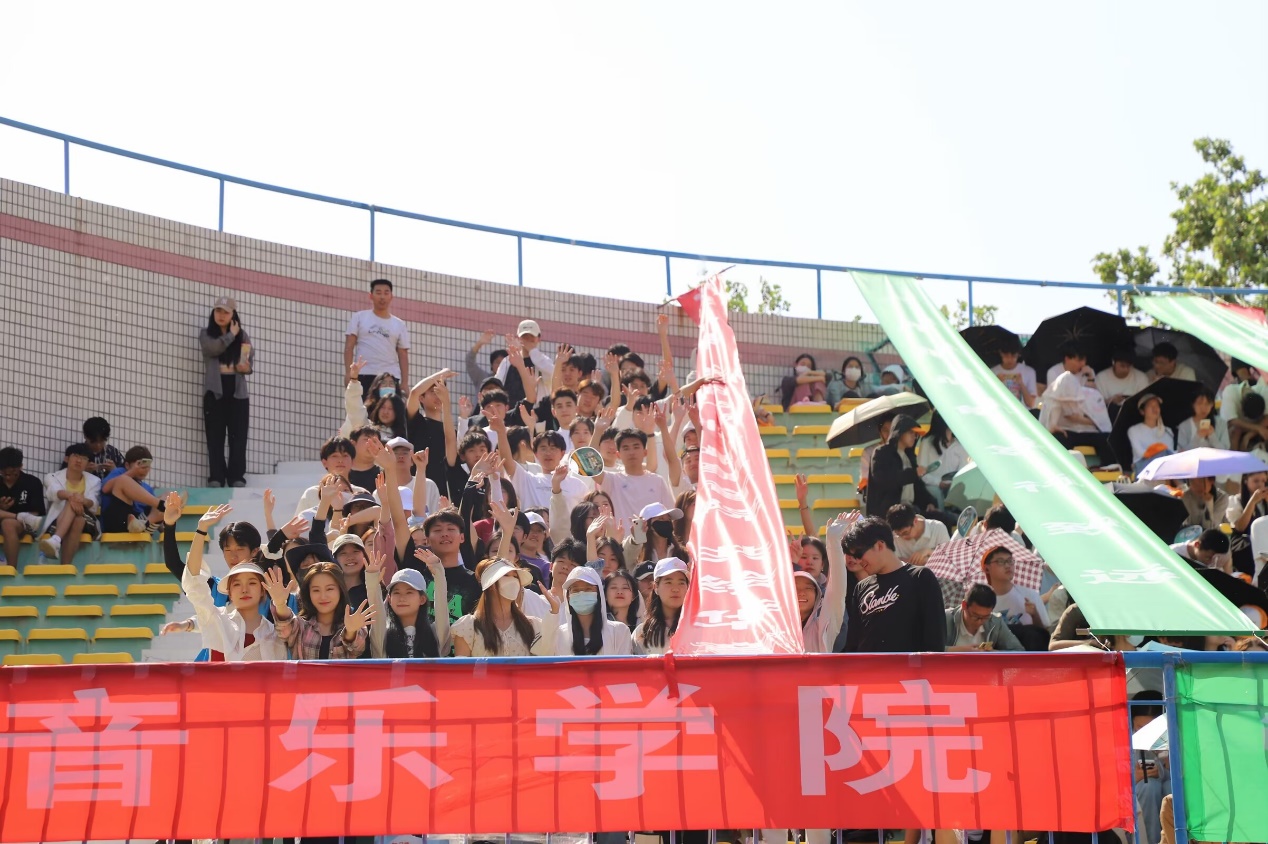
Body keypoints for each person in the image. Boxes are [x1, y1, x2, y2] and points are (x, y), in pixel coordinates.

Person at [182, 504, 287, 661]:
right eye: (236, 584)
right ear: (229, 592)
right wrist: (201, 529)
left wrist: (280, 603)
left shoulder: (274, 634)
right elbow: (193, 581)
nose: (244, 590)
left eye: (252, 583)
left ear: (262, 590)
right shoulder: (216, 618)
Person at [842, 516, 944, 652]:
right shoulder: (861, 587)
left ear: (879, 545)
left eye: (859, 554)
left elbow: (935, 640)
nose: (858, 561)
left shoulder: (920, 578)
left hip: (909, 665)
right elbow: (853, 643)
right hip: (868, 665)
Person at [452, 557, 557, 656]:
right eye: (506, 575)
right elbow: (461, 668)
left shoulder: (532, 625)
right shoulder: (468, 626)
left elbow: (544, 658)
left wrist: (554, 612)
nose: (513, 581)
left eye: (515, 577)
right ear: (491, 584)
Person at [199, 295, 253, 488]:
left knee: (238, 436)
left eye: (226, 312)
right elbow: (212, 349)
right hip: (215, 391)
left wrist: (245, 366)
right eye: (218, 311)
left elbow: (248, 362)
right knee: (215, 436)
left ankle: (236, 476)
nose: (221, 315)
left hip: (237, 392)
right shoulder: (206, 334)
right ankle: (216, 477)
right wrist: (230, 335)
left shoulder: (242, 336)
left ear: (233, 315)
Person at [270, 561, 374, 660]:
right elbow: (285, 625)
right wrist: (280, 603)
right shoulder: (301, 626)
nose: (323, 596)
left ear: (340, 590)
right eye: (316, 590)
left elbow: (357, 648)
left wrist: (350, 631)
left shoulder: (354, 623)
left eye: (329, 589)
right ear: (308, 593)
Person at [366, 548, 449, 659]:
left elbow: (442, 608)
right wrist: (372, 578)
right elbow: (375, 611)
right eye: (396, 593)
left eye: (409, 592)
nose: (402, 598)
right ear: (389, 599)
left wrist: (438, 571)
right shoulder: (383, 633)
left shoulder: (435, 632)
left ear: (422, 599)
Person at [344, 278, 410, 399]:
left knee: (389, 409)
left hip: (390, 377)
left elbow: (403, 354)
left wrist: (405, 383)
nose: (382, 297)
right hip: (364, 374)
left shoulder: (399, 324)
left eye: (386, 293)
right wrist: (349, 373)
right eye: (378, 293)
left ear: (391, 296)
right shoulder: (359, 317)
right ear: (371, 295)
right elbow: (349, 346)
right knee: (363, 410)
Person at [39, 444, 101, 563]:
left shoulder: (95, 481)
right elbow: (54, 492)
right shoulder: (52, 477)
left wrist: (82, 500)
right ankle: (66, 566)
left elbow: (93, 504)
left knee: (72, 506)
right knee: (78, 520)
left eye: (84, 458)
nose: (79, 460)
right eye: (75, 456)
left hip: (88, 521)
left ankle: (56, 539)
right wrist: (72, 497)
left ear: (88, 463)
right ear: (67, 459)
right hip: (59, 520)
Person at [552, 566, 635, 655]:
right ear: (568, 597)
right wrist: (553, 612)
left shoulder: (619, 631)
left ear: (599, 594)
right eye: (575, 590)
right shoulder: (559, 634)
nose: (582, 594)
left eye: (588, 589)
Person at [864, 415, 935, 519]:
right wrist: (913, 473)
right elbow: (883, 479)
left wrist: (929, 502)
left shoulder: (909, 456)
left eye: (915, 434)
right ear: (900, 432)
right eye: (911, 432)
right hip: (889, 514)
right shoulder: (881, 453)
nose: (914, 436)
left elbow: (918, 486)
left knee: (944, 519)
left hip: (910, 510)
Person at [599, 427, 677, 522]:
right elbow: (586, 464)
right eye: (626, 448)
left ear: (645, 452)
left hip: (653, 532)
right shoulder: (611, 480)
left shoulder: (658, 481)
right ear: (618, 455)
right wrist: (598, 429)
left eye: (636, 447)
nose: (631, 452)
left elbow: (670, 513)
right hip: (622, 532)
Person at [981, 545, 1049, 650]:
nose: (1007, 565)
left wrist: (1035, 615)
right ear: (986, 568)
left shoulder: (1030, 595)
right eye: (1000, 562)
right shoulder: (982, 601)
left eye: (1010, 561)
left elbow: (1044, 635)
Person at [1041, 371, 1116, 467]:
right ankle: (1060, 467)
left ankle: (1108, 468)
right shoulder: (1052, 400)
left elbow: (1101, 422)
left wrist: (1079, 419)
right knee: (1058, 439)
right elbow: (1049, 426)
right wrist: (1055, 425)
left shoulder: (1091, 395)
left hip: (1088, 432)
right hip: (1067, 432)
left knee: (1106, 439)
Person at [99, 446, 166, 535]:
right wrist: (133, 471)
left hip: (142, 522)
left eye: (147, 467)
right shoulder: (120, 473)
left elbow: (156, 512)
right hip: (118, 520)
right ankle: (162, 505)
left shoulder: (147, 488)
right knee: (123, 480)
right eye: (141, 466)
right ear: (127, 465)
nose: (145, 470)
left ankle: (141, 526)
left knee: (167, 496)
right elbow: (105, 489)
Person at [633, 556, 690, 655]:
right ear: (656, 587)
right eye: (669, 582)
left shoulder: (698, 628)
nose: (675, 589)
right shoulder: (642, 632)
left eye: (681, 583)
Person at [493, 320, 553, 412]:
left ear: (539, 339)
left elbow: (552, 374)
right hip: (510, 413)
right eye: (525, 337)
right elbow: (497, 384)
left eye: (532, 337)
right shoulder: (508, 361)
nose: (528, 340)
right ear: (519, 338)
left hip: (535, 413)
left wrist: (533, 352)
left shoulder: (543, 360)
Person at [944, 584, 1025, 651]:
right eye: (975, 616)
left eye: (985, 617)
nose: (979, 622)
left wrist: (992, 653)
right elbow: (935, 649)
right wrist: (959, 651)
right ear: (964, 605)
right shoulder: (944, 618)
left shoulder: (995, 622)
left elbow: (1018, 651)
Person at [0, 447, 45, 566]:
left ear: (20, 467)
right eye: (4, 474)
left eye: (12, 474)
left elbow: (35, 514)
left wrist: (17, 518)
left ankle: (11, 569)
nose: (8, 477)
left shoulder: (32, 482)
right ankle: (18, 516)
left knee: (8, 524)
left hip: (25, 525)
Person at [916, 413, 969, 506]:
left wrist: (953, 484)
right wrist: (938, 483)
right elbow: (921, 472)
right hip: (932, 489)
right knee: (936, 494)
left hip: (953, 490)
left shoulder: (960, 445)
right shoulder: (927, 442)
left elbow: (963, 472)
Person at [1227, 471, 1268, 576]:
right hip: (1243, 544)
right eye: (1256, 481)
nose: (1260, 485)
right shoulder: (1236, 500)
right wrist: (1252, 502)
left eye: (1263, 481)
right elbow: (1240, 527)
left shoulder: (1264, 502)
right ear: (1246, 480)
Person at [886, 503, 950, 565]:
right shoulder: (893, 536)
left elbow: (949, 557)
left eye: (905, 532)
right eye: (898, 534)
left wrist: (929, 552)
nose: (903, 537)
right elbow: (892, 561)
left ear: (915, 521)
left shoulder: (938, 528)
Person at [1096, 348, 1151, 418]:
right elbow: (1095, 404)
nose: (1126, 369)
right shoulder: (1101, 378)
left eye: (1128, 366)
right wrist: (1110, 401)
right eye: (1122, 366)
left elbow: (1145, 402)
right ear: (1113, 362)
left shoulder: (1141, 377)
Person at [1128, 393, 1176, 472]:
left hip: (1164, 468)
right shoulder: (1134, 430)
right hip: (1143, 468)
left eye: (1157, 405)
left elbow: (1170, 453)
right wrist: (1160, 452)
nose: (1155, 408)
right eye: (1150, 406)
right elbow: (1141, 453)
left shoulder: (1168, 431)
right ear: (1142, 411)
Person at [1176, 387, 1229, 451]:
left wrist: (1212, 436)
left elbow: (1226, 450)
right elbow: (1181, 452)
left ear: (1212, 405)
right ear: (1193, 405)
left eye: (1207, 403)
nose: (1203, 407)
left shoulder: (1221, 423)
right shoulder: (1184, 426)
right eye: (1199, 403)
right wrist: (1198, 437)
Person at [991, 339, 1038, 409]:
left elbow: (1031, 404)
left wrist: (1021, 384)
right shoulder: (992, 372)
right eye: (1006, 356)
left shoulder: (1028, 371)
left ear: (1018, 354)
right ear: (1000, 353)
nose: (1010, 359)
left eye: (1013, 356)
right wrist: (996, 383)